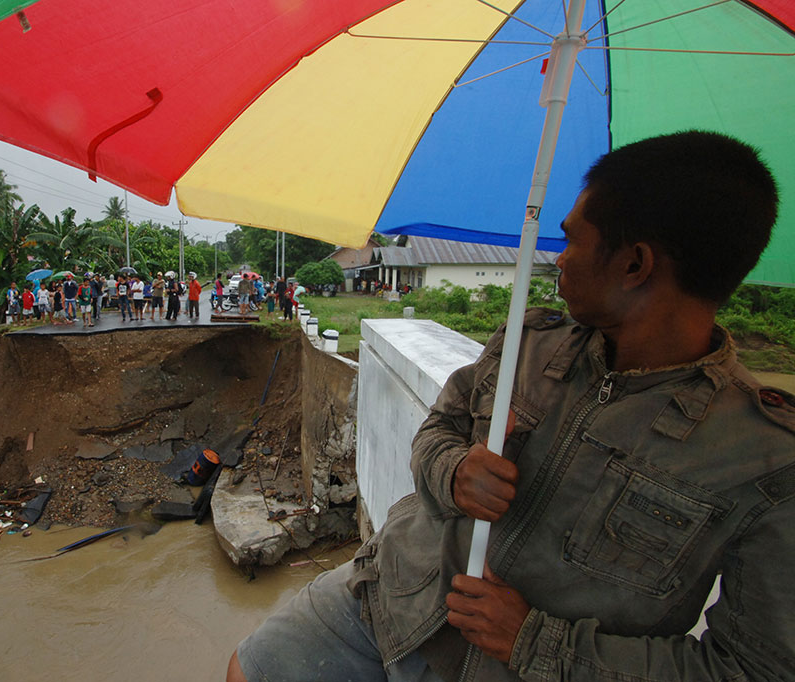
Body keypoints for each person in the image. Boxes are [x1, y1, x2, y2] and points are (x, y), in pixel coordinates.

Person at [229, 131, 795, 682]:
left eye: (572, 241)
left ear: (634, 264)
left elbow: (752, 667)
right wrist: (454, 473)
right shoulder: (531, 340)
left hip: (512, 670)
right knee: (248, 669)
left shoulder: (766, 459)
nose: (558, 260)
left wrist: (539, 643)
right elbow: (439, 427)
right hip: (394, 588)